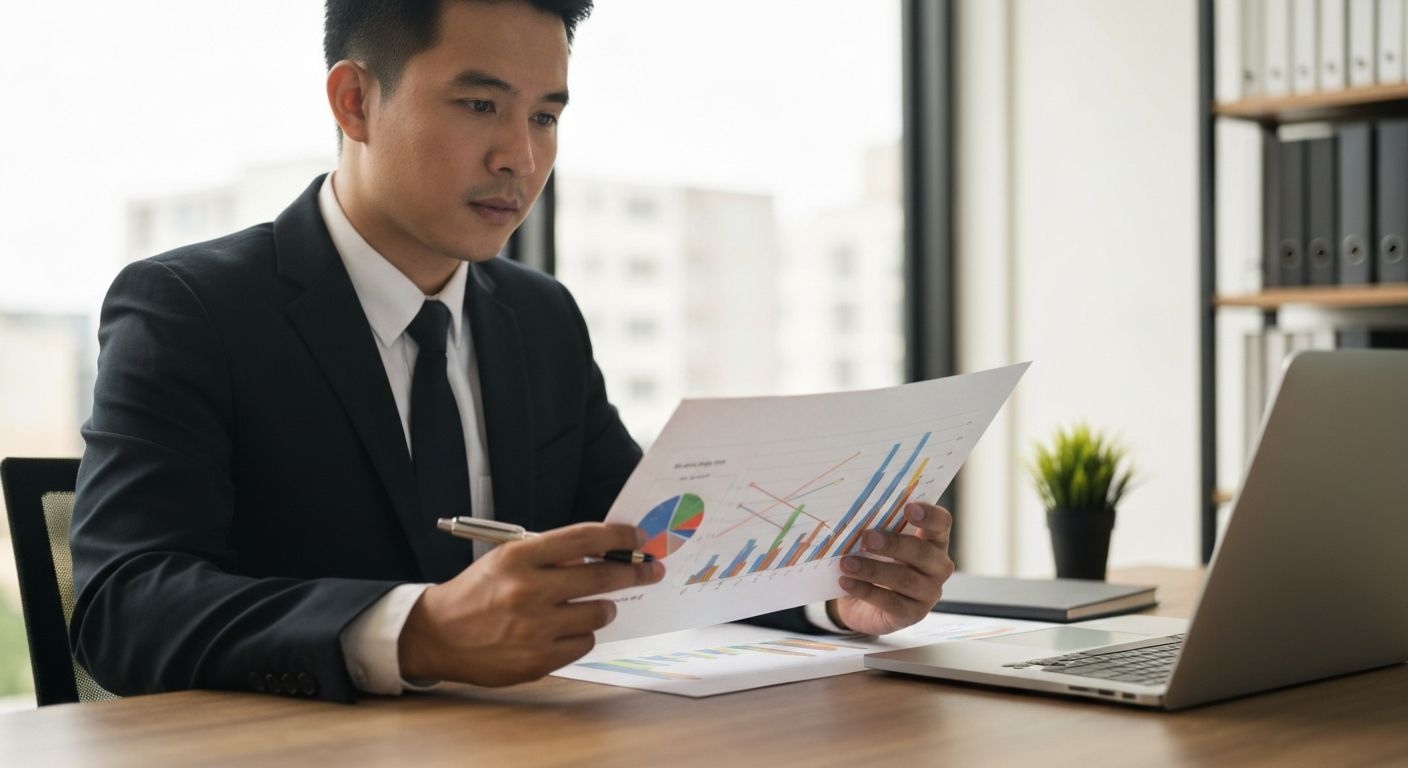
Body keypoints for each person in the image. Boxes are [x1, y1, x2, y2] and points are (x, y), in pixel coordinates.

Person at [69, 0, 956, 703]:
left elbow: (652, 548)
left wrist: (834, 594)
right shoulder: (192, 308)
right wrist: (417, 630)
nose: (520, 158)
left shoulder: (540, 319)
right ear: (355, 101)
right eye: (480, 104)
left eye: (545, 116)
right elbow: (124, 606)